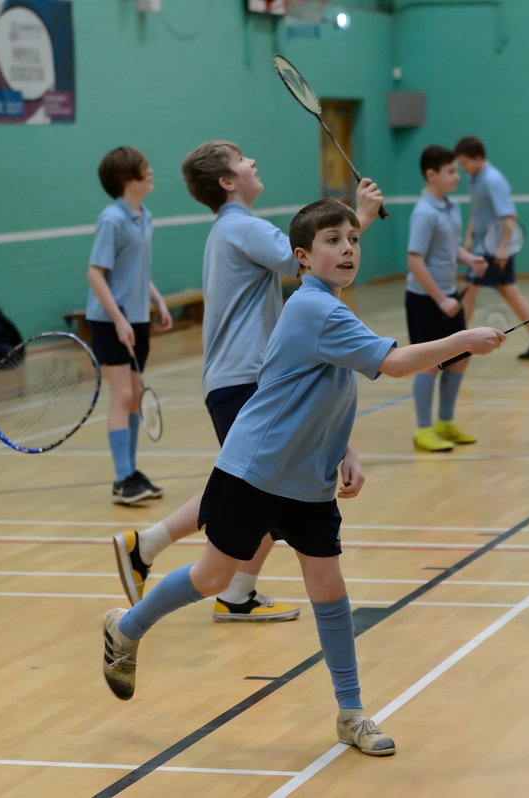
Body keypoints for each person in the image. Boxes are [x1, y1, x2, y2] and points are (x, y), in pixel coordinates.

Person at [101, 198, 506, 758]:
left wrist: (348, 448)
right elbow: (391, 363)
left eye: (353, 239)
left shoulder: (330, 308)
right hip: (256, 471)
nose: (347, 249)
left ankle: (351, 712)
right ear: (303, 256)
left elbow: (329, 387)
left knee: (330, 590)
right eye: (333, 241)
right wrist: (463, 340)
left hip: (309, 479)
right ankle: (127, 627)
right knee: (214, 577)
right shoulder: (315, 309)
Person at [110, 140, 383, 622]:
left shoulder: (229, 228)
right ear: (227, 182)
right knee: (259, 493)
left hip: (236, 376)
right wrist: (355, 217)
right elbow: (310, 262)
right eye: (243, 161)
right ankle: (169, 561)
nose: (253, 162)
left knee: (256, 492)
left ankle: (174, 560)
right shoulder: (243, 227)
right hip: (247, 376)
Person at [84, 147, 173, 506]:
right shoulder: (112, 219)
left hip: (137, 317)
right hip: (111, 320)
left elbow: (136, 271)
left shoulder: (143, 216)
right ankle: (122, 479)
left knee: (135, 397)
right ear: (125, 179)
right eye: (143, 169)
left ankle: (132, 473)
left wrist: (158, 301)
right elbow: (95, 274)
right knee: (122, 396)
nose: (150, 172)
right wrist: (119, 319)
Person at [406, 145, 487, 452]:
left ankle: (445, 422)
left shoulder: (450, 206)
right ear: (431, 175)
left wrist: (470, 259)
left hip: (448, 295)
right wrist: (440, 300)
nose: (457, 176)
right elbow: (415, 261)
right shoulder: (424, 213)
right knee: (429, 363)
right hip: (425, 299)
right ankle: (424, 430)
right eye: (451, 171)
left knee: (460, 357)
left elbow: (450, 247)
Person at [454, 136, 529, 360]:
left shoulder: (492, 180)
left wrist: (501, 250)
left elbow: (509, 217)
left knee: (468, 290)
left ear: (478, 158)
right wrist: (469, 236)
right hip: (482, 245)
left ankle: (458, 346)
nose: (463, 167)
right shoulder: (474, 179)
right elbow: (477, 211)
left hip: (493, 248)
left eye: (465, 162)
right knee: (510, 292)